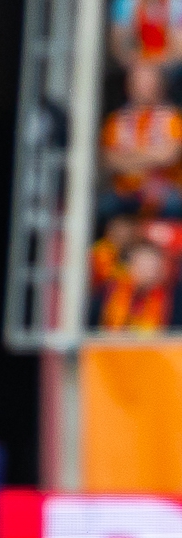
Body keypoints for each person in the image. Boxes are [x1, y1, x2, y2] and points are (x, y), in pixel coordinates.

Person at [101, 62, 182, 220]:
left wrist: (129, 159)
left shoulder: (173, 117)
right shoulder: (116, 121)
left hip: (166, 195)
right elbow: (108, 160)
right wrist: (152, 156)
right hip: (125, 195)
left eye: (150, 83)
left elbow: (170, 155)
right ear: (129, 86)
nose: (145, 88)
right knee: (105, 206)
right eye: (141, 83)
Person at [99, 236, 178, 329]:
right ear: (129, 267)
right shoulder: (107, 293)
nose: (149, 272)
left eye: (153, 267)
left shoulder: (173, 301)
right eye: (143, 265)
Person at [112, 0, 182, 91]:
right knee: (143, 79)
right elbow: (120, 46)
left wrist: (154, 66)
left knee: (146, 79)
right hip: (138, 67)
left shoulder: (177, 4)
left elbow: (178, 51)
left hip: (170, 69)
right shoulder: (126, 3)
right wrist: (141, 65)